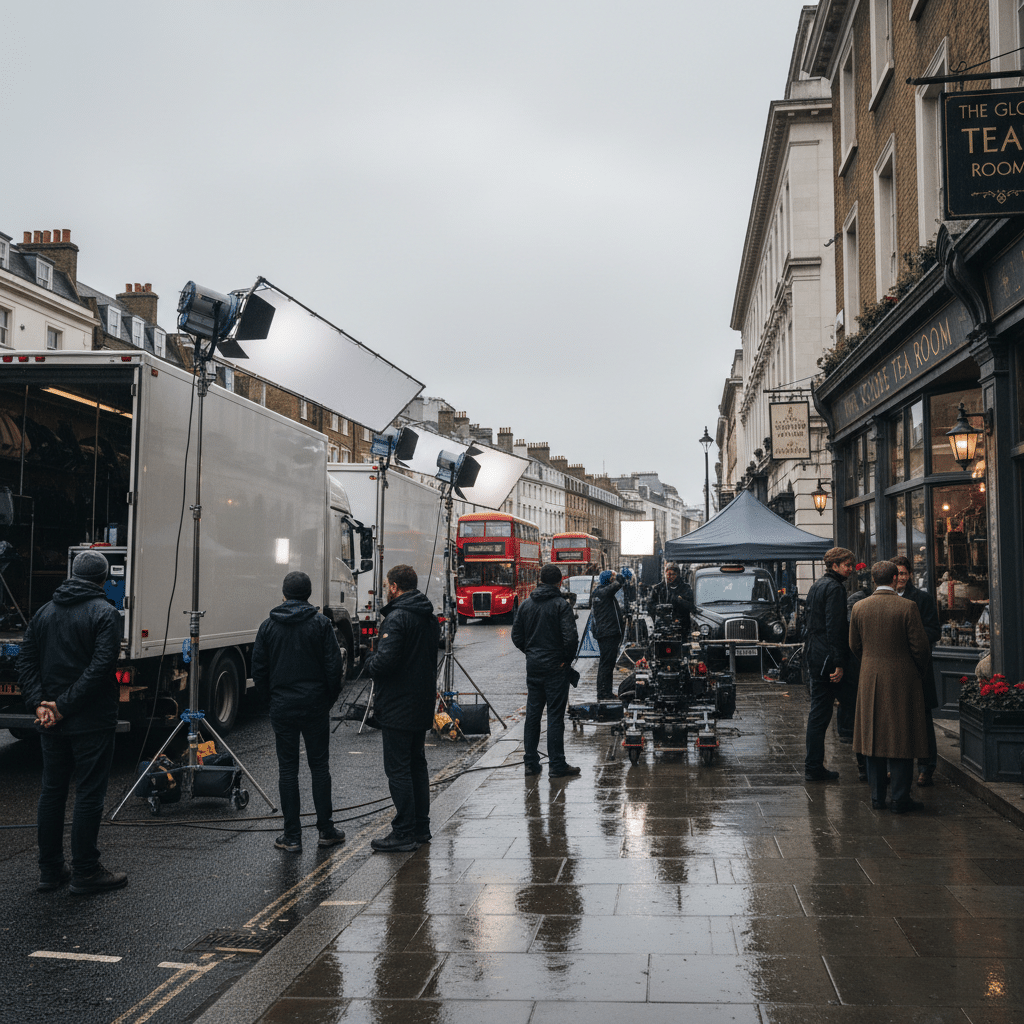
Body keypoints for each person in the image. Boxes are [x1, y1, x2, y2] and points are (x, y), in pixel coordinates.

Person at [19, 550, 127, 894]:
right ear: (103, 579)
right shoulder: (106, 614)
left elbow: (26, 662)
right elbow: (99, 669)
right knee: (89, 794)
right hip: (91, 719)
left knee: (52, 791)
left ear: (72, 574)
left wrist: (41, 705)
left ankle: (50, 871)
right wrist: (62, 706)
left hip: (50, 721)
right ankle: (85, 871)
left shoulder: (44, 612)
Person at [253, 570, 345, 854]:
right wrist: (327, 699)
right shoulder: (320, 624)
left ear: (284, 594)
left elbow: (259, 670)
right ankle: (326, 830)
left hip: (283, 704)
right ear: (308, 595)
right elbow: (334, 668)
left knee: (288, 769)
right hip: (315, 702)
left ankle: (291, 836)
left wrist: (272, 700)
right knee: (319, 767)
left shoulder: (268, 626)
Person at [364, 564, 440, 852]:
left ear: (394, 587)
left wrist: (370, 660)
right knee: (416, 765)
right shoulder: (428, 617)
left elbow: (386, 663)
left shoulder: (397, 618)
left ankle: (404, 831)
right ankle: (421, 827)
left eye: (387, 585)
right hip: (420, 702)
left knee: (398, 769)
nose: (386, 589)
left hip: (398, 704)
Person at [850, 560, 933, 813]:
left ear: (873, 580)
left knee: (872, 741)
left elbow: (854, 645)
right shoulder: (907, 607)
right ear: (895, 578)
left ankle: (877, 798)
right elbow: (920, 648)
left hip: (869, 676)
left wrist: (871, 663)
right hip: (903, 678)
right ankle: (900, 798)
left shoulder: (859, 607)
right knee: (902, 738)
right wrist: (916, 670)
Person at [512, 563, 580, 778]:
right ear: (559, 581)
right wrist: (564, 661)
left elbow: (516, 636)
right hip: (555, 668)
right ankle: (557, 764)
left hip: (534, 667)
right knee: (554, 716)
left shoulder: (525, 604)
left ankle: (531, 763)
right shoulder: (561, 605)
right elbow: (571, 639)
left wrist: (531, 653)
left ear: (540, 580)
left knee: (532, 714)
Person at [803, 546, 859, 781]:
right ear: (834, 565)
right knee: (851, 710)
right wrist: (838, 662)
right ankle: (867, 768)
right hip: (827, 657)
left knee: (819, 713)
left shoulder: (817, 585)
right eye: (847, 565)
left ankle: (813, 766)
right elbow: (834, 627)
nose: (851, 569)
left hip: (815, 654)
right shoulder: (834, 588)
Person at [892, 554, 941, 787]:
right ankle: (897, 767)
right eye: (896, 574)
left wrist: (913, 642)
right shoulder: (884, 598)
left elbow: (934, 630)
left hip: (918, 667)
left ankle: (926, 767)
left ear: (909, 575)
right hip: (894, 669)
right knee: (896, 719)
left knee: (922, 718)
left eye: (903, 573)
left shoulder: (922, 599)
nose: (900, 578)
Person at [591, 568, 630, 700]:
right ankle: (603, 693)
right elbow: (615, 586)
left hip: (609, 633)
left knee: (608, 664)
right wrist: (620, 578)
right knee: (606, 665)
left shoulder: (602, 593)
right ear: (608, 579)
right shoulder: (602, 592)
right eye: (612, 577)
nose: (614, 579)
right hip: (607, 634)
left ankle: (606, 691)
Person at [646, 562, 695, 632]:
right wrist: (658, 609)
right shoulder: (658, 588)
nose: (669, 577)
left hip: (682, 625)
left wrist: (679, 600)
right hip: (662, 625)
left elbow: (691, 606)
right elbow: (650, 604)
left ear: (678, 575)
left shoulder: (685, 588)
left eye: (673, 574)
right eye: (668, 574)